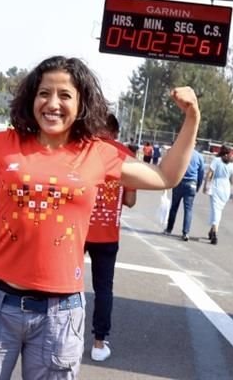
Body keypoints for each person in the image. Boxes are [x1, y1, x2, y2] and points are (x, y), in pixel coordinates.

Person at [0, 57, 200, 379]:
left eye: (65, 95)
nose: (52, 104)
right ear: (32, 98)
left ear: (82, 102)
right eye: (44, 93)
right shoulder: (6, 144)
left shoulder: (99, 153)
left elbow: (166, 176)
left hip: (60, 315)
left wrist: (192, 117)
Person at [84, 113, 136, 363]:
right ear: (115, 132)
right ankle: (98, 343)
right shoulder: (125, 154)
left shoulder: (85, 147)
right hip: (107, 234)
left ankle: (56, 331)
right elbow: (130, 200)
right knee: (104, 289)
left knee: (64, 282)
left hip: (78, 228)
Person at [164, 151, 205, 241]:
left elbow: (173, 166)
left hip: (179, 181)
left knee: (174, 207)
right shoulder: (199, 156)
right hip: (191, 184)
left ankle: (169, 229)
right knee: (188, 209)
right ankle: (185, 233)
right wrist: (198, 185)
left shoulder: (181, 152)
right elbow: (201, 172)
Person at [204, 146, 233, 245]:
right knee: (218, 210)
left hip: (216, 186)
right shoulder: (232, 164)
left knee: (215, 210)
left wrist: (205, 185)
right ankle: (212, 230)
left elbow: (209, 174)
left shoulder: (216, 160)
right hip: (226, 189)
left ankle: (214, 233)